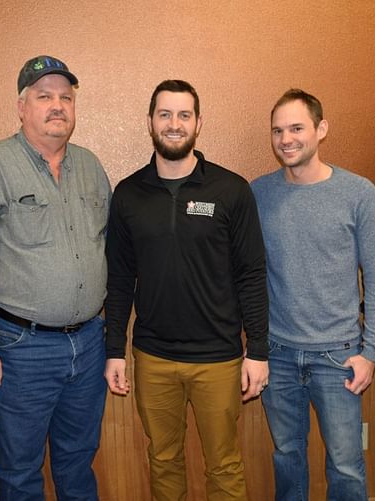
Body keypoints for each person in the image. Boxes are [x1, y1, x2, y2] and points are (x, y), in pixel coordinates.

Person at [0, 55, 110, 500]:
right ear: (22, 107)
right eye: (43, 97)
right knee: (20, 470)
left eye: (65, 97)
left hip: (89, 344)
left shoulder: (91, 167)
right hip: (22, 349)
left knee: (79, 460)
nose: (56, 106)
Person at [104, 79, 269, 501]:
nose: (174, 124)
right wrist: (113, 350)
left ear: (198, 123)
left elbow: (251, 274)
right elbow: (120, 278)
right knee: (162, 458)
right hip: (154, 356)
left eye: (183, 115)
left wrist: (259, 351)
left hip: (219, 357)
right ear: (150, 122)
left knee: (225, 464)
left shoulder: (231, 190)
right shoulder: (128, 194)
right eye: (165, 114)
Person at [250, 89, 375, 501]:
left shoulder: (358, 192)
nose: (286, 139)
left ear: (321, 129)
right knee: (286, 456)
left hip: (339, 356)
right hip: (278, 353)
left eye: (296, 128)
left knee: (346, 466)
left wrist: (370, 351)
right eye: (278, 130)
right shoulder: (258, 194)